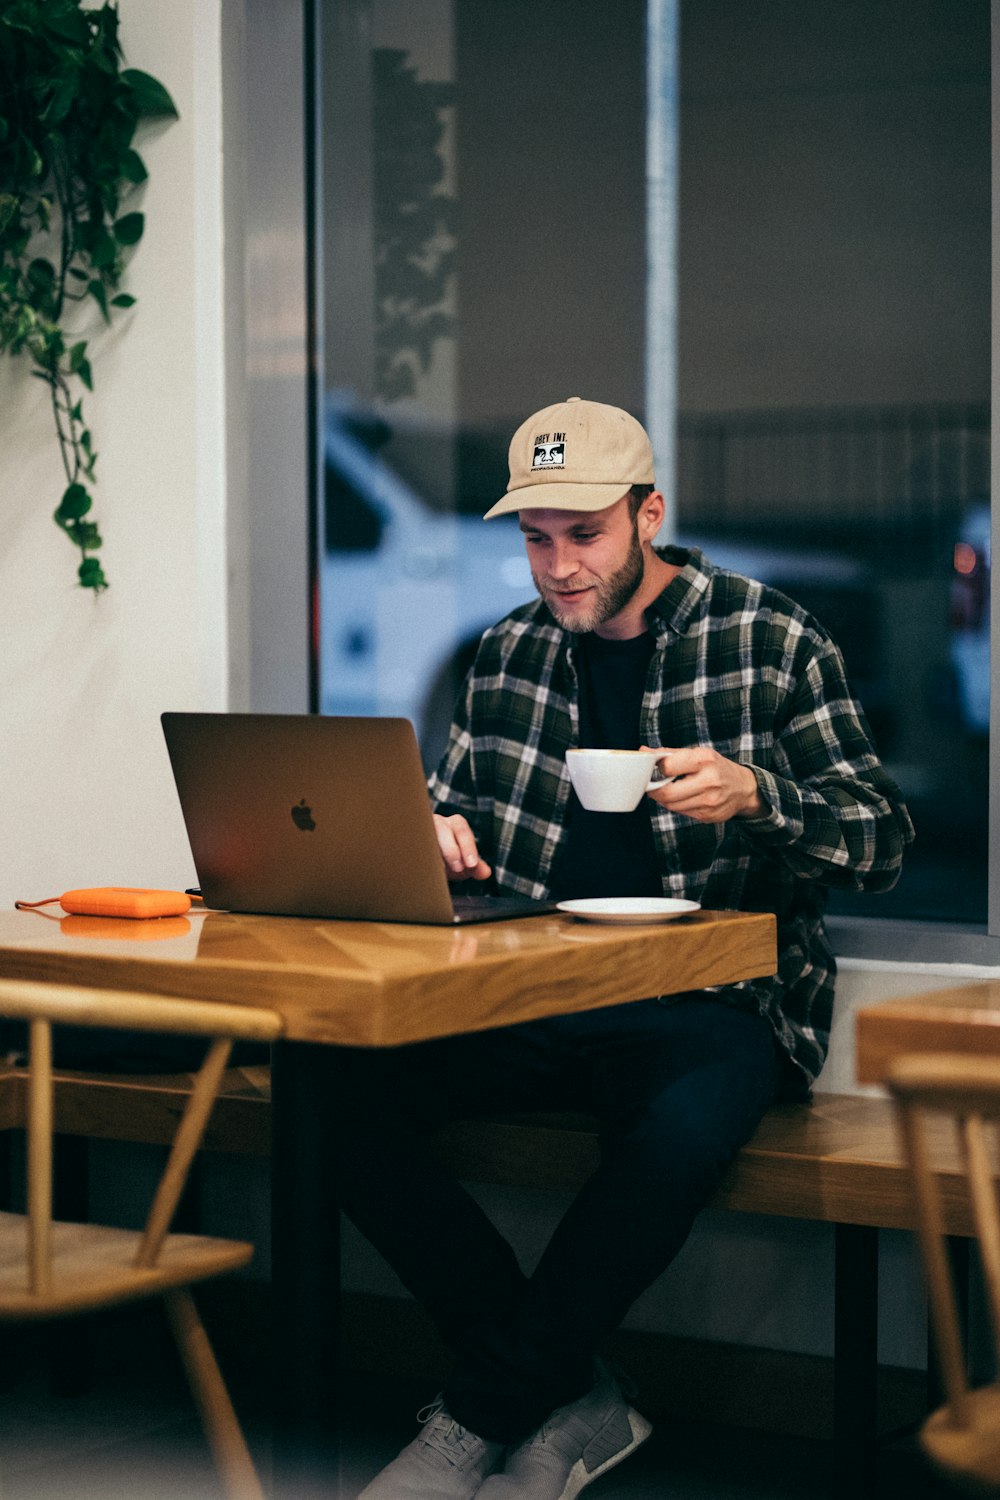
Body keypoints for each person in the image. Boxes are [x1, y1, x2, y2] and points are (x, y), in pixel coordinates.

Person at [334, 396, 914, 1499]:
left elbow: (881, 840)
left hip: (716, 997)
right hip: (532, 989)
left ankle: (478, 1415)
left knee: (680, 1126)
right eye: (534, 538)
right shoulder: (506, 653)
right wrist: (434, 835)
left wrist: (760, 797)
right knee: (333, 1088)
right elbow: (464, 819)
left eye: (584, 534)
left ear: (649, 514)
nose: (556, 567)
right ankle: (568, 1396)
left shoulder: (769, 637)